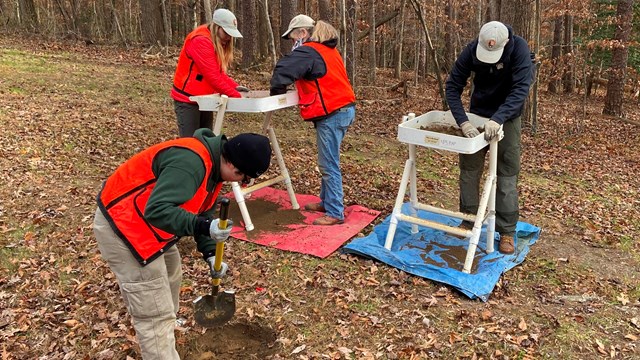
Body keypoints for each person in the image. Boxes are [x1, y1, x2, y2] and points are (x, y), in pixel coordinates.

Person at [93, 129, 271, 359]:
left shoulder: (213, 166)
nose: (243, 183)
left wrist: (209, 252)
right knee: (154, 315)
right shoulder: (191, 164)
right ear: (234, 167)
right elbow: (157, 210)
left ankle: (168, 322)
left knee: (171, 271)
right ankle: (159, 332)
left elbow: (202, 210)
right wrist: (204, 227)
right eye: (244, 178)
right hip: (125, 228)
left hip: (149, 228)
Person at [445, 21, 533, 254]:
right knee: (469, 169)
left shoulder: (519, 50)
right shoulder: (472, 50)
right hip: (477, 115)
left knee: (506, 172)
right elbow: (453, 86)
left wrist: (500, 118)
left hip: (508, 117)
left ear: (505, 44)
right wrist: (463, 121)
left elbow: (521, 88)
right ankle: (468, 217)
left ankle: (506, 231)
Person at [270, 20, 356, 226]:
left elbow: (283, 69)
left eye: (293, 38)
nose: (293, 44)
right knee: (329, 159)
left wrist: (276, 94)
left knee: (328, 164)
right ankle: (327, 202)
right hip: (343, 108)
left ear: (302, 32)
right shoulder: (327, 50)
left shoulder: (310, 51)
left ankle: (335, 211)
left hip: (333, 112)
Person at [171, 8, 248, 138]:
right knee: (191, 144)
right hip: (188, 100)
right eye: (226, 33)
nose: (229, 38)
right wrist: (238, 98)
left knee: (206, 141)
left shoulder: (216, 41)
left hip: (205, 99)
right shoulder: (201, 41)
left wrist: (236, 88)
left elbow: (219, 73)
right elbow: (213, 77)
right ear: (217, 27)